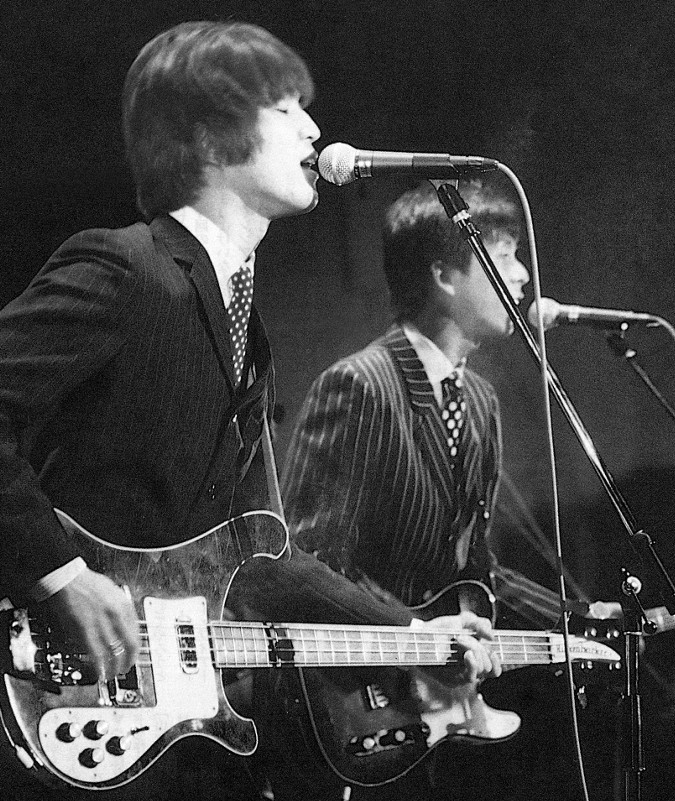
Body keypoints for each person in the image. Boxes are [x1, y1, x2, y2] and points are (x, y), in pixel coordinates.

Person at [0, 22, 499, 801]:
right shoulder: (126, 267)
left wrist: (410, 630)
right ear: (207, 136)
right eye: (285, 107)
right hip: (58, 683)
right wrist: (57, 574)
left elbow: (260, 553)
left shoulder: (245, 330)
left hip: (160, 730)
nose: (313, 129)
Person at [280, 180, 621, 800]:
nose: (523, 276)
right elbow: (312, 560)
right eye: (505, 255)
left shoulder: (481, 401)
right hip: (359, 703)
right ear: (444, 275)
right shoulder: (360, 385)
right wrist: (418, 632)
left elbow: (475, 571)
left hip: (436, 706)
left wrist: (581, 621)